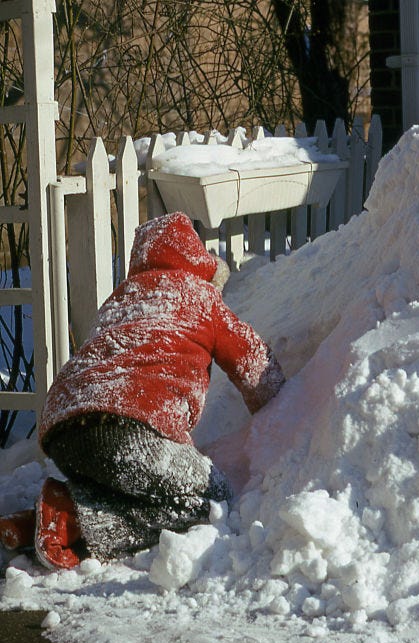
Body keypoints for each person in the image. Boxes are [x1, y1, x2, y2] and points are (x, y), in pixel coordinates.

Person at [0, 212, 285, 568]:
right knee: (211, 501)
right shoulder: (200, 296)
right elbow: (253, 362)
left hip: (63, 430)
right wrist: (285, 410)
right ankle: (71, 518)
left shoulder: (121, 298)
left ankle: (34, 524)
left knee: (130, 485)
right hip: (127, 428)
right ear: (198, 260)